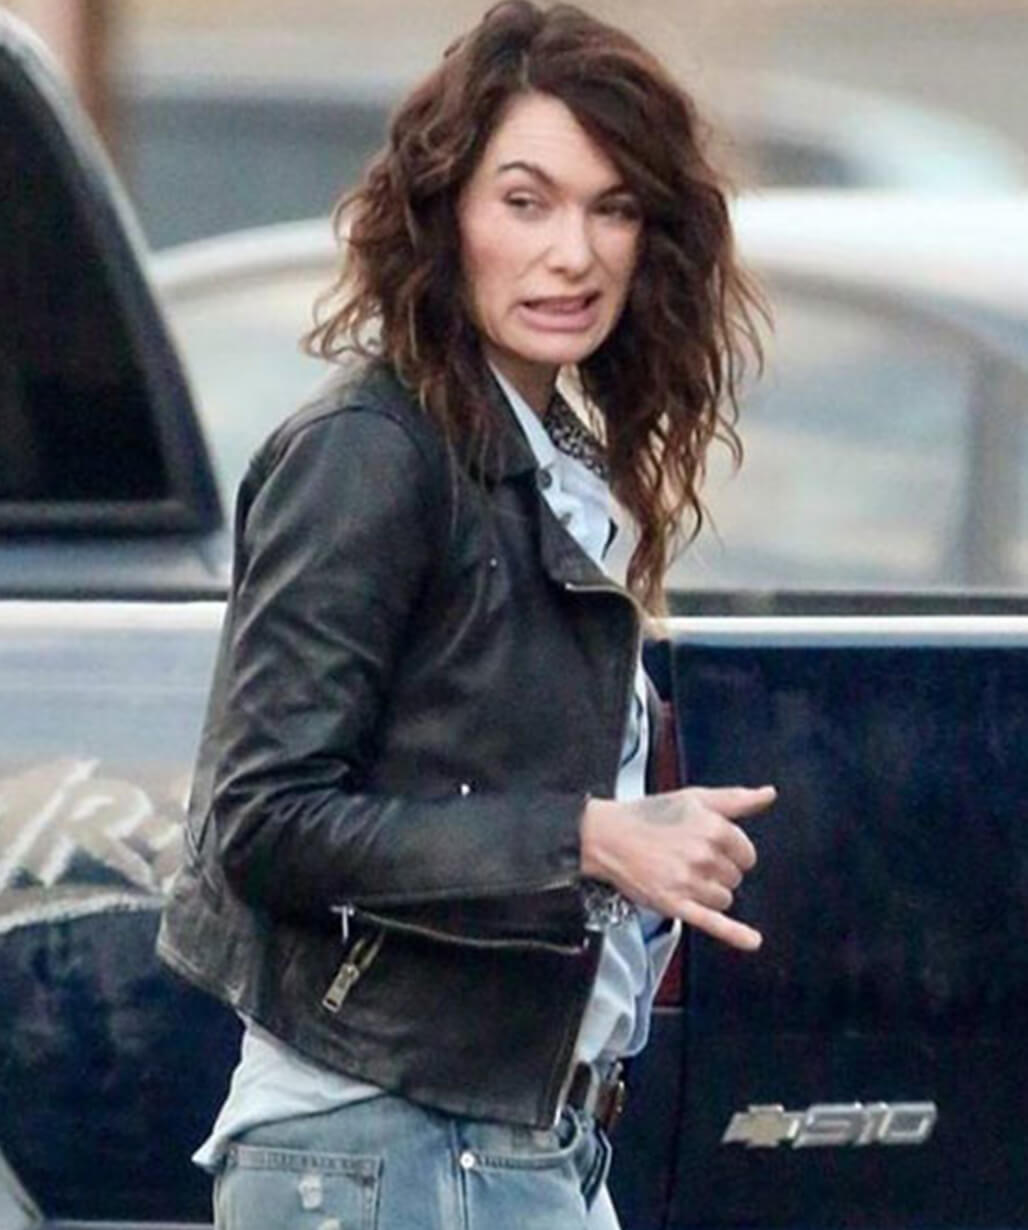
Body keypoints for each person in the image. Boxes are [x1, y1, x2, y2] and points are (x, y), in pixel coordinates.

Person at [158, 3, 775, 1227]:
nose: (572, 255)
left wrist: (624, 839)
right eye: (525, 201)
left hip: (511, 1146)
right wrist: (584, 838)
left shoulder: (545, 463)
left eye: (613, 208)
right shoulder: (372, 453)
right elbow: (263, 822)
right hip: (386, 1146)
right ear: (444, 215)